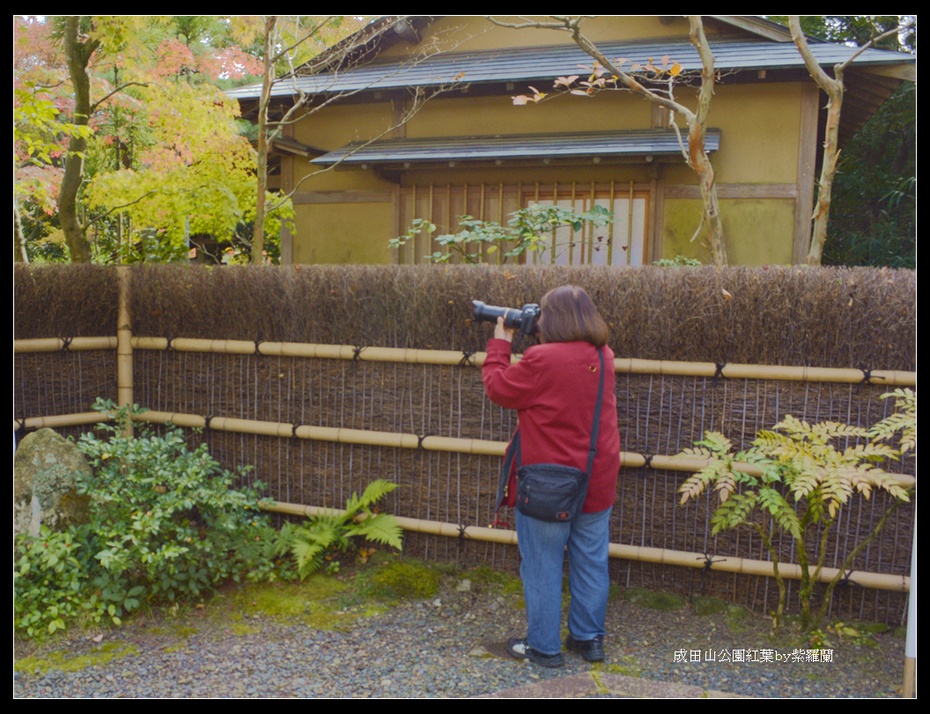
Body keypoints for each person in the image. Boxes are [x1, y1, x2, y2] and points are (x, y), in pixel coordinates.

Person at [482, 285, 621, 668]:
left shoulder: (543, 359)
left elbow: (499, 388)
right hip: (597, 477)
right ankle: (588, 639)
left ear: (552, 320)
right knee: (591, 560)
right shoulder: (603, 356)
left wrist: (500, 344)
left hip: (550, 485)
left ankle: (544, 648)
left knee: (542, 563)